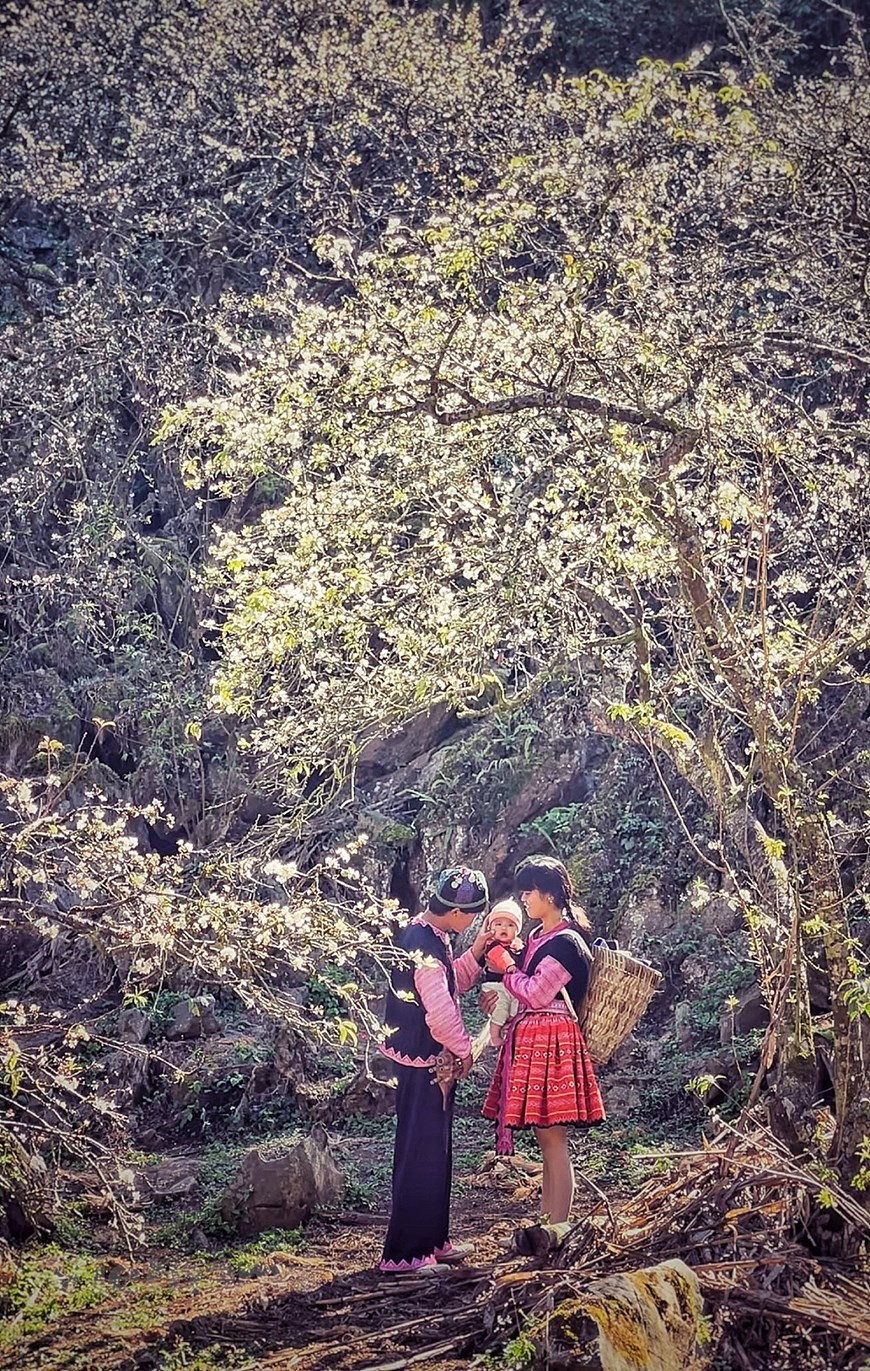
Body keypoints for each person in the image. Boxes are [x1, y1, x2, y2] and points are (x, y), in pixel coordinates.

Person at [481, 855, 605, 1225]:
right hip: (535, 1039)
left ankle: (557, 1227)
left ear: (549, 895)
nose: (524, 899)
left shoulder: (567, 943)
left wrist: (506, 971)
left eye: (529, 892)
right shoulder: (536, 938)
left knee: (553, 1140)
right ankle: (548, 1224)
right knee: (545, 1137)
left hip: (552, 1039)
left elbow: (535, 993)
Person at [379, 866, 491, 1273]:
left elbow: (447, 984)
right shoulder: (426, 945)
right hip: (424, 1062)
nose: (473, 922)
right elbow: (440, 1012)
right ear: (460, 914)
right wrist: (466, 1051)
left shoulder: (425, 935)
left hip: (423, 1060)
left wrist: (476, 953)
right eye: (473, 916)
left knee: (434, 1151)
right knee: (421, 1152)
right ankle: (405, 1253)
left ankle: (432, 1240)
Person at [472, 898, 524, 1052]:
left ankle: (512, 1033)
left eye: (510, 925)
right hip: (496, 986)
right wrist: (510, 966)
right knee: (500, 1010)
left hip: (513, 987)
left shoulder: (518, 945)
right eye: (498, 924)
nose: (504, 928)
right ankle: (494, 1036)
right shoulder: (492, 944)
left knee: (516, 1009)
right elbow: (500, 956)